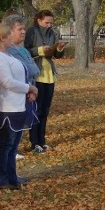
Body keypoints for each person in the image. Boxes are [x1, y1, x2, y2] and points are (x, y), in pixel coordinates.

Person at [0, 23, 38, 191]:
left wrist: (28, 89)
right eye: (9, 35)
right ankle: (1, 179)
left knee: (13, 145)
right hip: (6, 107)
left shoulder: (6, 55)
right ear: (2, 37)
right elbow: (7, 82)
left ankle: (11, 176)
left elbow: (20, 76)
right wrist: (29, 88)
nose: (12, 37)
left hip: (17, 105)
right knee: (5, 145)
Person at [25, 10, 66, 154]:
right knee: (37, 109)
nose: (49, 25)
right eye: (46, 22)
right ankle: (34, 142)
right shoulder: (31, 32)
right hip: (36, 75)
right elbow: (24, 51)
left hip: (49, 75)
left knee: (45, 110)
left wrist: (59, 48)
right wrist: (39, 50)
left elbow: (57, 55)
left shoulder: (51, 33)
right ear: (38, 20)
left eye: (51, 23)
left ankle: (42, 141)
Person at [4, 14, 39, 178]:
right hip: (14, 100)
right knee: (9, 140)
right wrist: (29, 88)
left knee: (16, 137)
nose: (24, 32)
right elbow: (29, 71)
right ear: (9, 32)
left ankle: (11, 176)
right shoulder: (9, 52)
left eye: (24, 28)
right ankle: (6, 176)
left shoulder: (23, 50)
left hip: (27, 96)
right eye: (20, 29)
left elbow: (34, 71)